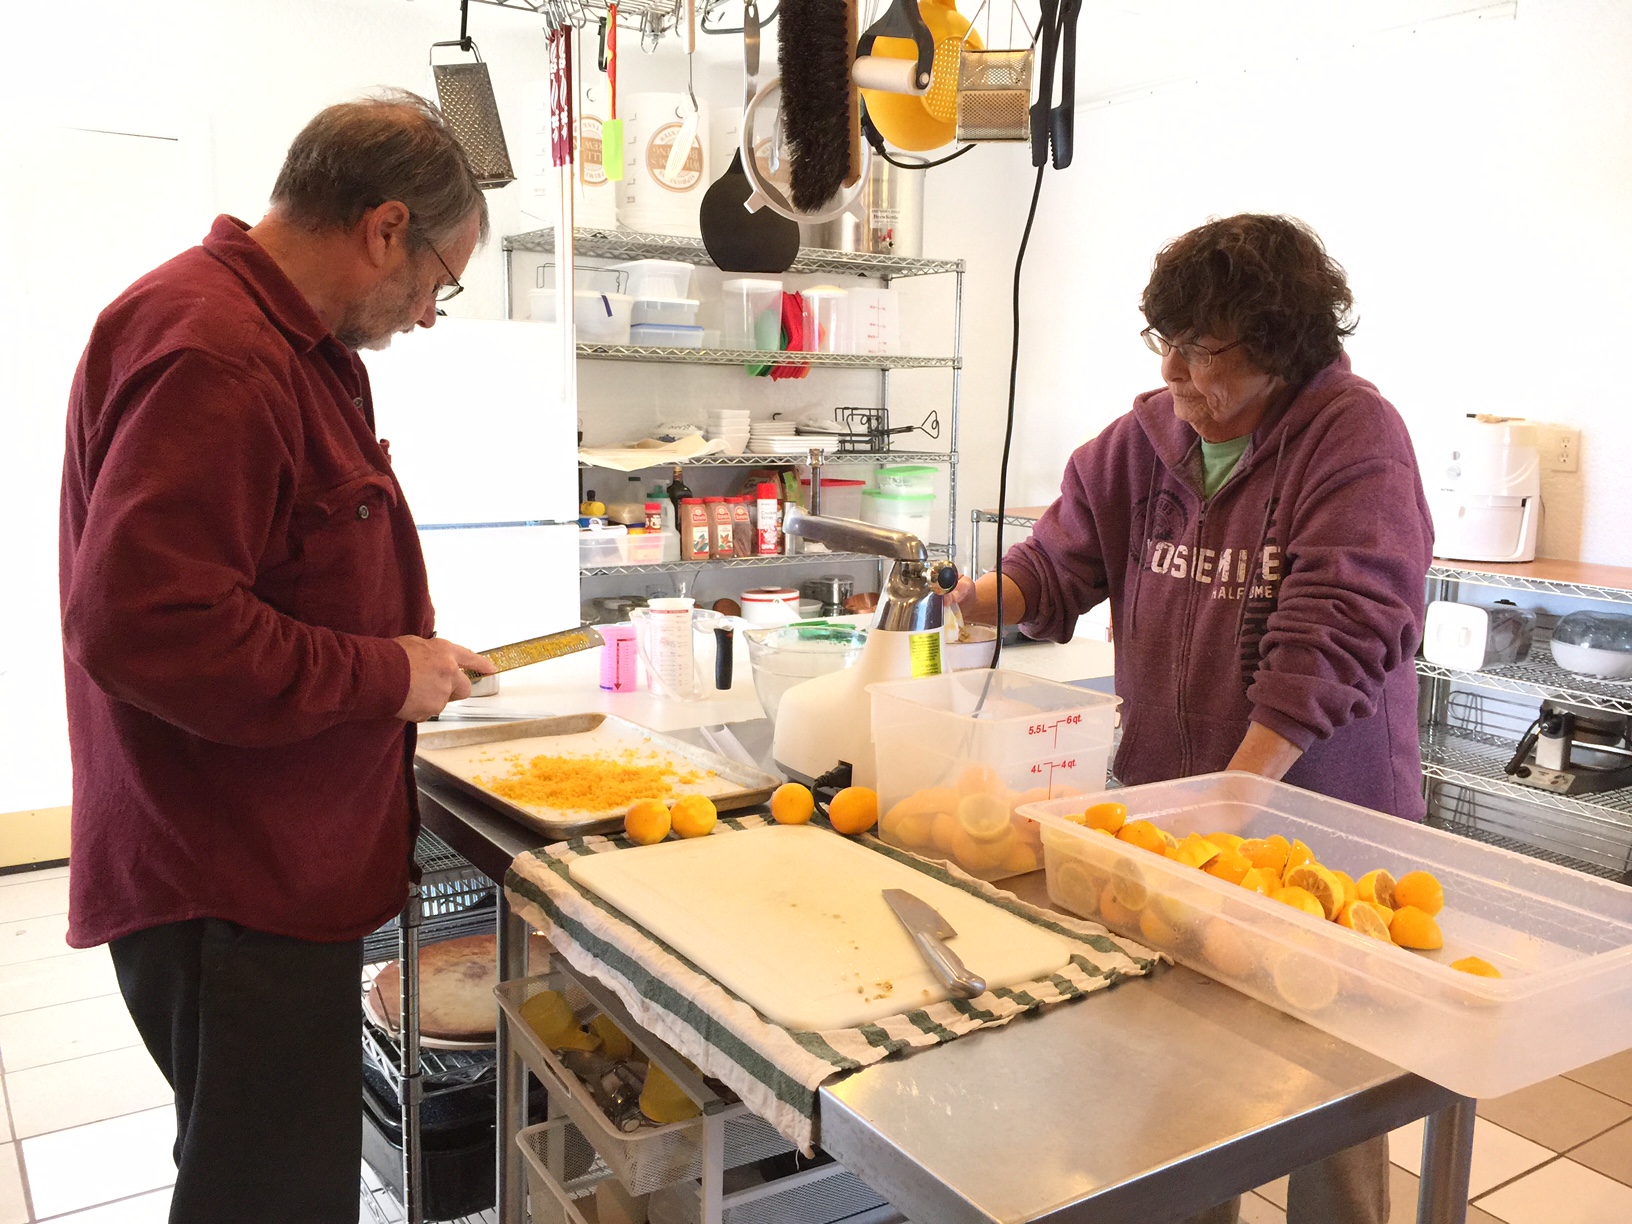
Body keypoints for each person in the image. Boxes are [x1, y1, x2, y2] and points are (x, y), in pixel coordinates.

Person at [58, 91, 498, 1223]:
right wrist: (386, 676)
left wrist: (400, 648)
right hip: (232, 883)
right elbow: (149, 624)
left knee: (248, 1176)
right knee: (271, 1201)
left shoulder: (287, 342)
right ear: (385, 228)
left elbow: (276, 569)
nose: (431, 315)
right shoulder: (218, 351)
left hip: (252, 865)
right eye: (440, 281)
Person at [951, 214, 1433, 1224]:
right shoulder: (1142, 442)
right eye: (1164, 342)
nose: (1173, 372)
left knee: (1332, 1088)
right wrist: (972, 599)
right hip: (1178, 821)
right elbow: (1058, 563)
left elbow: (1333, 635)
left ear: (1278, 350)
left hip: (1321, 827)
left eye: (1203, 351)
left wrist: (1233, 799)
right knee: (1182, 1081)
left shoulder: (1355, 440)